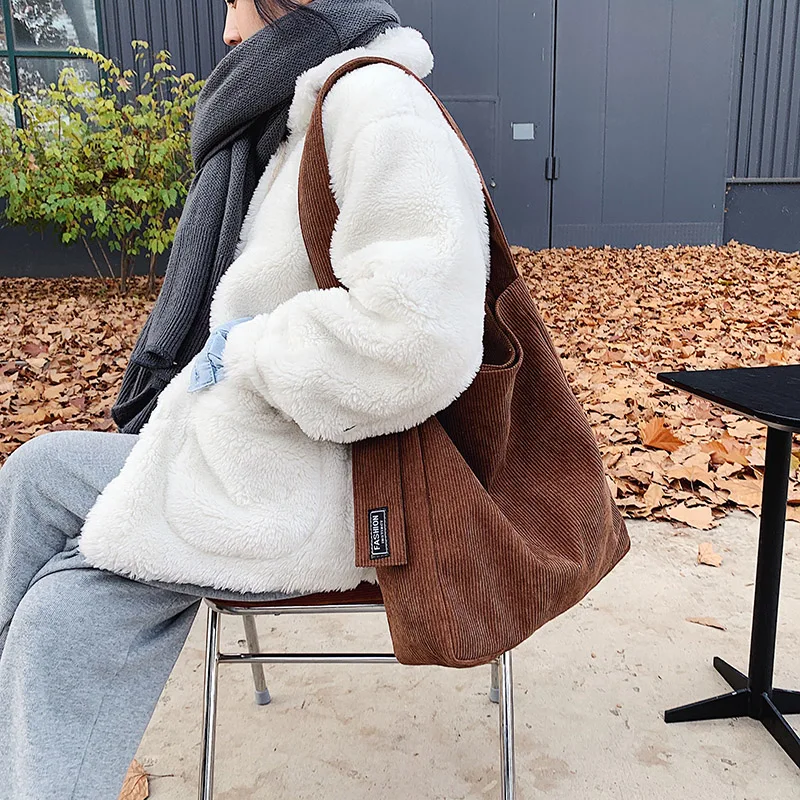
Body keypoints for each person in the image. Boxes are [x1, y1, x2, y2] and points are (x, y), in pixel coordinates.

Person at [0, 0, 491, 797]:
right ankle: (35, 752)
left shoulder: (379, 106)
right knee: (34, 472)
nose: (228, 30)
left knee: (65, 614)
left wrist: (247, 352)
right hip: (261, 452)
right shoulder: (301, 109)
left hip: (336, 486)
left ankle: (46, 766)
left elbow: (419, 337)